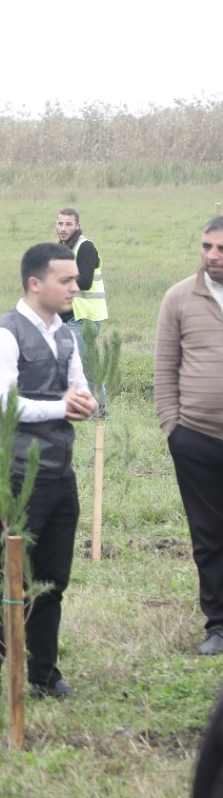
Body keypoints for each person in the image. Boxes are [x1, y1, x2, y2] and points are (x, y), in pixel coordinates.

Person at [0, 242, 97, 699]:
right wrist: (61, 407)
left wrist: (83, 402)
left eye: (75, 279)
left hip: (60, 474)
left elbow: (78, 387)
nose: (75, 286)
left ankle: (45, 676)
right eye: (65, 280)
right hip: (14, 474)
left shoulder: (64, 334)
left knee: (51, 580)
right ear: (35, 283)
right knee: (7, 577)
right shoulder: (2, 336)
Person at [155, 216, 223, 656]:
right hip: (196, 439)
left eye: (221, 248)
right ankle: (218, 624)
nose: (213, 256)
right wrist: (173, 429)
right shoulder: (179, 297)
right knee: (209, 535)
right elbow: (165, 367)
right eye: (207, 247)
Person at [55, 207, 108, 351]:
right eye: (60, 224)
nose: (63, 228)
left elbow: (85, 282)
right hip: (69, 317)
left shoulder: (85, 247)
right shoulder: (61, 249)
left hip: (84, 318)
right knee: (69, 362)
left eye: (68, 224)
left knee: (79, 362)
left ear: (78, 226)